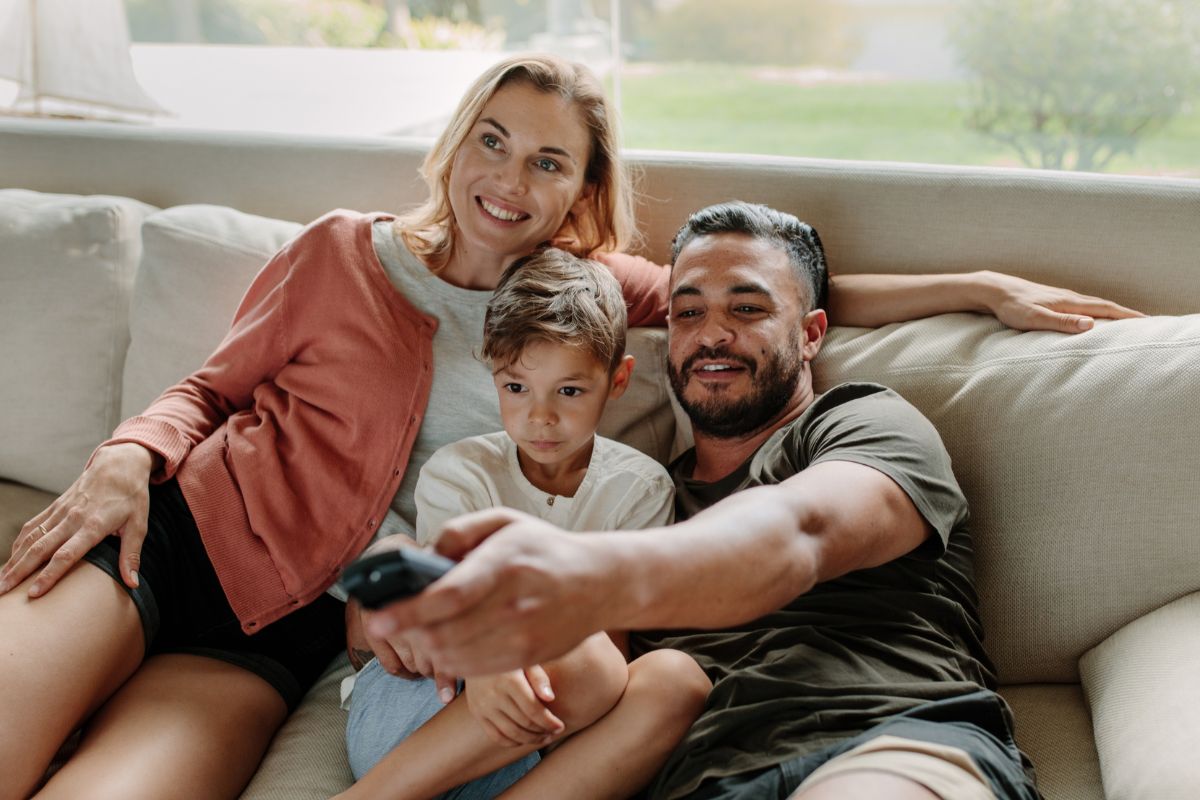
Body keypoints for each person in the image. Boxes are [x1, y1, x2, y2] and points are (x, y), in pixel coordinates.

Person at [0, 49, 1131, 798]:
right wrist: (121, 458)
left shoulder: (579, 292)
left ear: (579, 192)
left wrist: (978, 284)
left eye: (547, 160)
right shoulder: (343, 248)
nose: (508, 175)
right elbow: (209, 388)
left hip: (277, 630)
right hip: (167, 540)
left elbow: (761, 294)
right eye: (492, 138)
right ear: (457, 140)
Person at [365, 201, 1044, 799]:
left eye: (747, 309)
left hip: (879, 737)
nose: (713, 333)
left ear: (810, 335)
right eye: (689, 313)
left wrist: (585, 575)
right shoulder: (642, 496)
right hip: (700, 778)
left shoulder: (863, 423)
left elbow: (795, 536)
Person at [341, 248, 710, 800]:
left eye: (569, 390)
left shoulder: (639, 488)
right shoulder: (460, 473)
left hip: (548, 734)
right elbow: (445, 612)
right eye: (517, 388)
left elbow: (606, 651)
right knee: (579, 655)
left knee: (677, 681)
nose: (541, 417)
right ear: (493, 377)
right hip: (427, 712)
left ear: (617, 381)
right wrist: (490, 662)